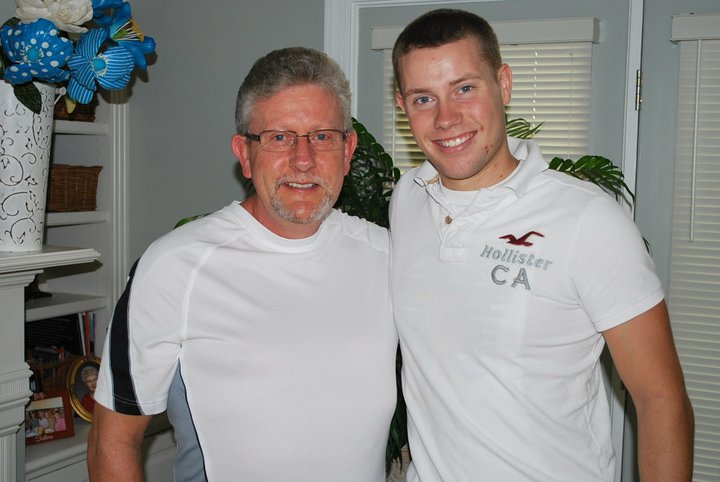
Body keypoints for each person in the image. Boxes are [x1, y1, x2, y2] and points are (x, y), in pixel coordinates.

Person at [389, 8, 694, 482]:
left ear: (504, 84)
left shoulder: (588, 220)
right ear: (402, 106)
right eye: (424, 98)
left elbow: (661, 398)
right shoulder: (407, 198)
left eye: (465, 89)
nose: (446, 118)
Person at [87, 47, 398, 481]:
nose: (303, 159)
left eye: (322, 136)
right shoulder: (175, 266)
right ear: (245, 154)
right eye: (279, 137)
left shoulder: (390, 258)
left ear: (347, 151)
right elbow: (112, 440)